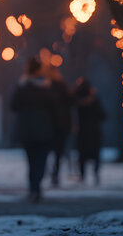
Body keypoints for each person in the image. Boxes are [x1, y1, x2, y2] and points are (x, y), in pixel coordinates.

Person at [10, 57, 56, 202]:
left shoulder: (23, 87)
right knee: (41, 160)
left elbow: (13, 105)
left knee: (31, 160)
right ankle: (36, 187)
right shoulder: (47, 87)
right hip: (44, 128)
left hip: (27, 128)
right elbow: (55, 107)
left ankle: (33, 188)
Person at [45, 66, 73, 187]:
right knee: (58, 152)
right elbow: (71, 102)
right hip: (60, 125)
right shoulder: (63, 87)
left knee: (47, 151)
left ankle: (50, 172)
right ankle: (54, 173)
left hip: (51, 124)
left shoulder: (46, 87)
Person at [74, 77, 106, 184]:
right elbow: (103, 115)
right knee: (95, 155)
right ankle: (95, 174)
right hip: (94, 131)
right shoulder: (94, 98)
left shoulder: (76, 98)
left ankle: (83, 175)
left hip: (82, 131)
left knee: (82, 155)